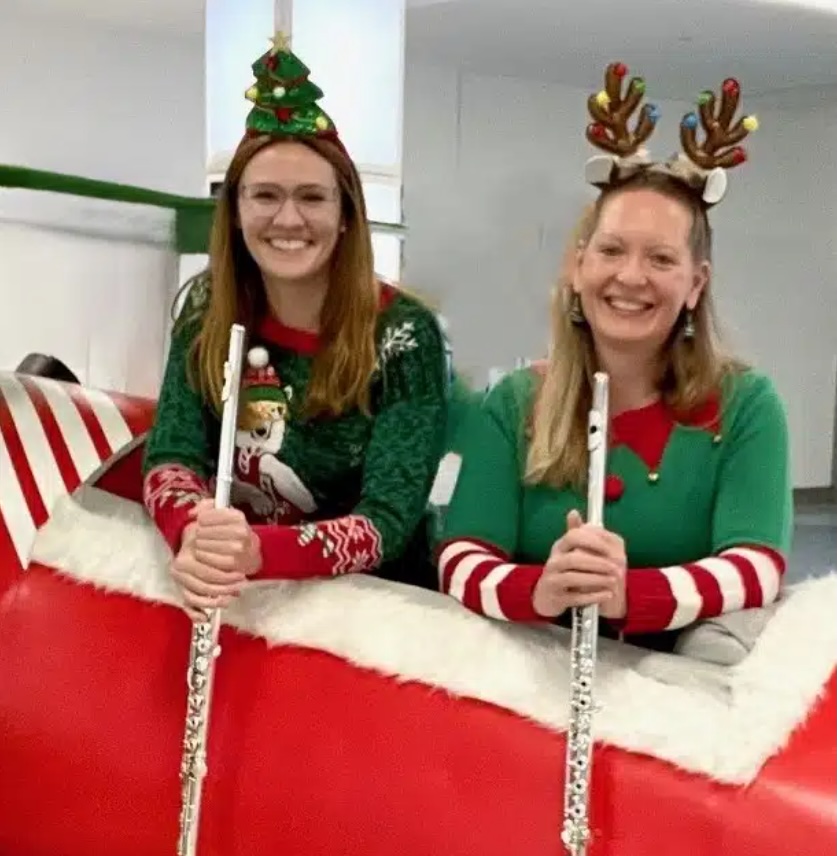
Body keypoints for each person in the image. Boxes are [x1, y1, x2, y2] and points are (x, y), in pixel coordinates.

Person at [437, 63, 791, 652]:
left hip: (679, 687)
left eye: (660, 259)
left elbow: (756, 566)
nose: (631, 277)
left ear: (695, 284)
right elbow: (460, 557)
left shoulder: (746, 404)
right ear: (579, 267)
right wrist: (543, 590)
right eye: (612, 250)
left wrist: (631, 595)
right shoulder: (516, 402)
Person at [142, 32, 449, 618]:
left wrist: (256, 551)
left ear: (345, 217)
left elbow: (386, 521)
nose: (288, 219)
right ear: (234, 213)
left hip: (377, 618)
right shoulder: (206, 307)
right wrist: (194, 530)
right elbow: (172, 457)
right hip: (244, 599)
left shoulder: (405, 335)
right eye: (265, 196)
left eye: (312, 197)